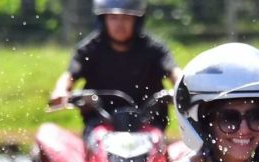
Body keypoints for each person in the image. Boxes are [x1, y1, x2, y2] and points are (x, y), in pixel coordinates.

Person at [49, 0, 181, 139]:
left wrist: (185, 89)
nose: (119, 24)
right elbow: (70, 75)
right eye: (113, 18)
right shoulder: (90, 49)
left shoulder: (154, 49)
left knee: (169, 151)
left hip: (148, 125)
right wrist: (61, 91)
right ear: (103, 19)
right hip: (100, 125)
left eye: (126, 18)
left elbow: (174, 72)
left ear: (137, 20)